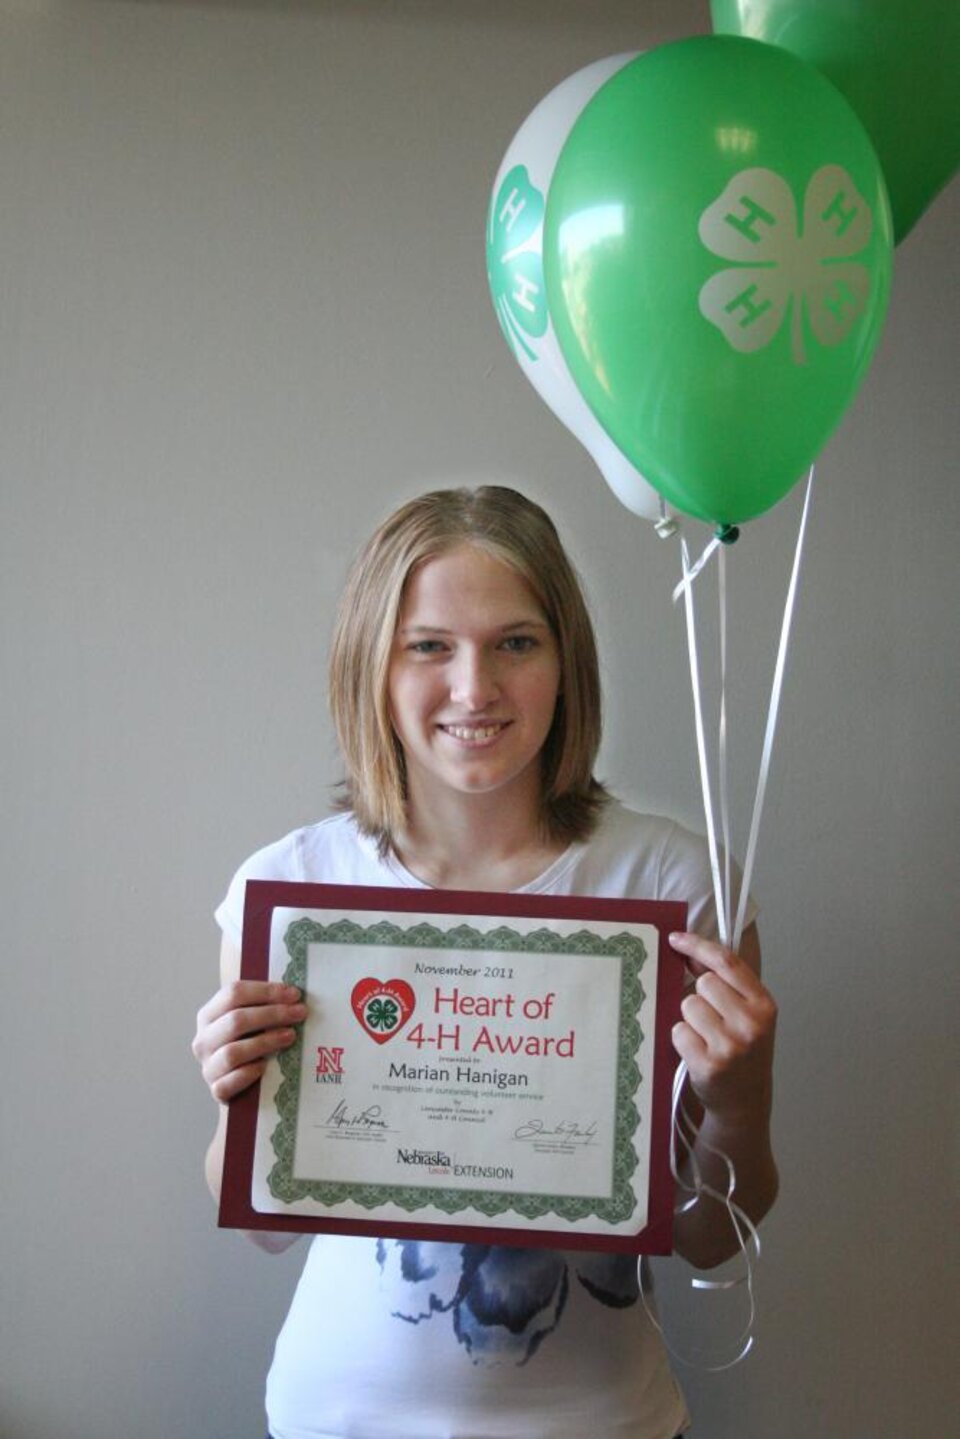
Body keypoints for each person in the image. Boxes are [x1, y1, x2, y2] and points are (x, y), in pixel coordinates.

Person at [192, 486, 778, 1439]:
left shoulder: (678, 882)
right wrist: (238, 1099)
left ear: (566, 660)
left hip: (606, 1422)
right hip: (339, 1420)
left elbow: (710, 1233)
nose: (475, 688)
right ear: (372, 666)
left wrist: (742, 1098)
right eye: (429, 645)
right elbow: (264, 1226)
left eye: (515, 642)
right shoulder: (295, 885)